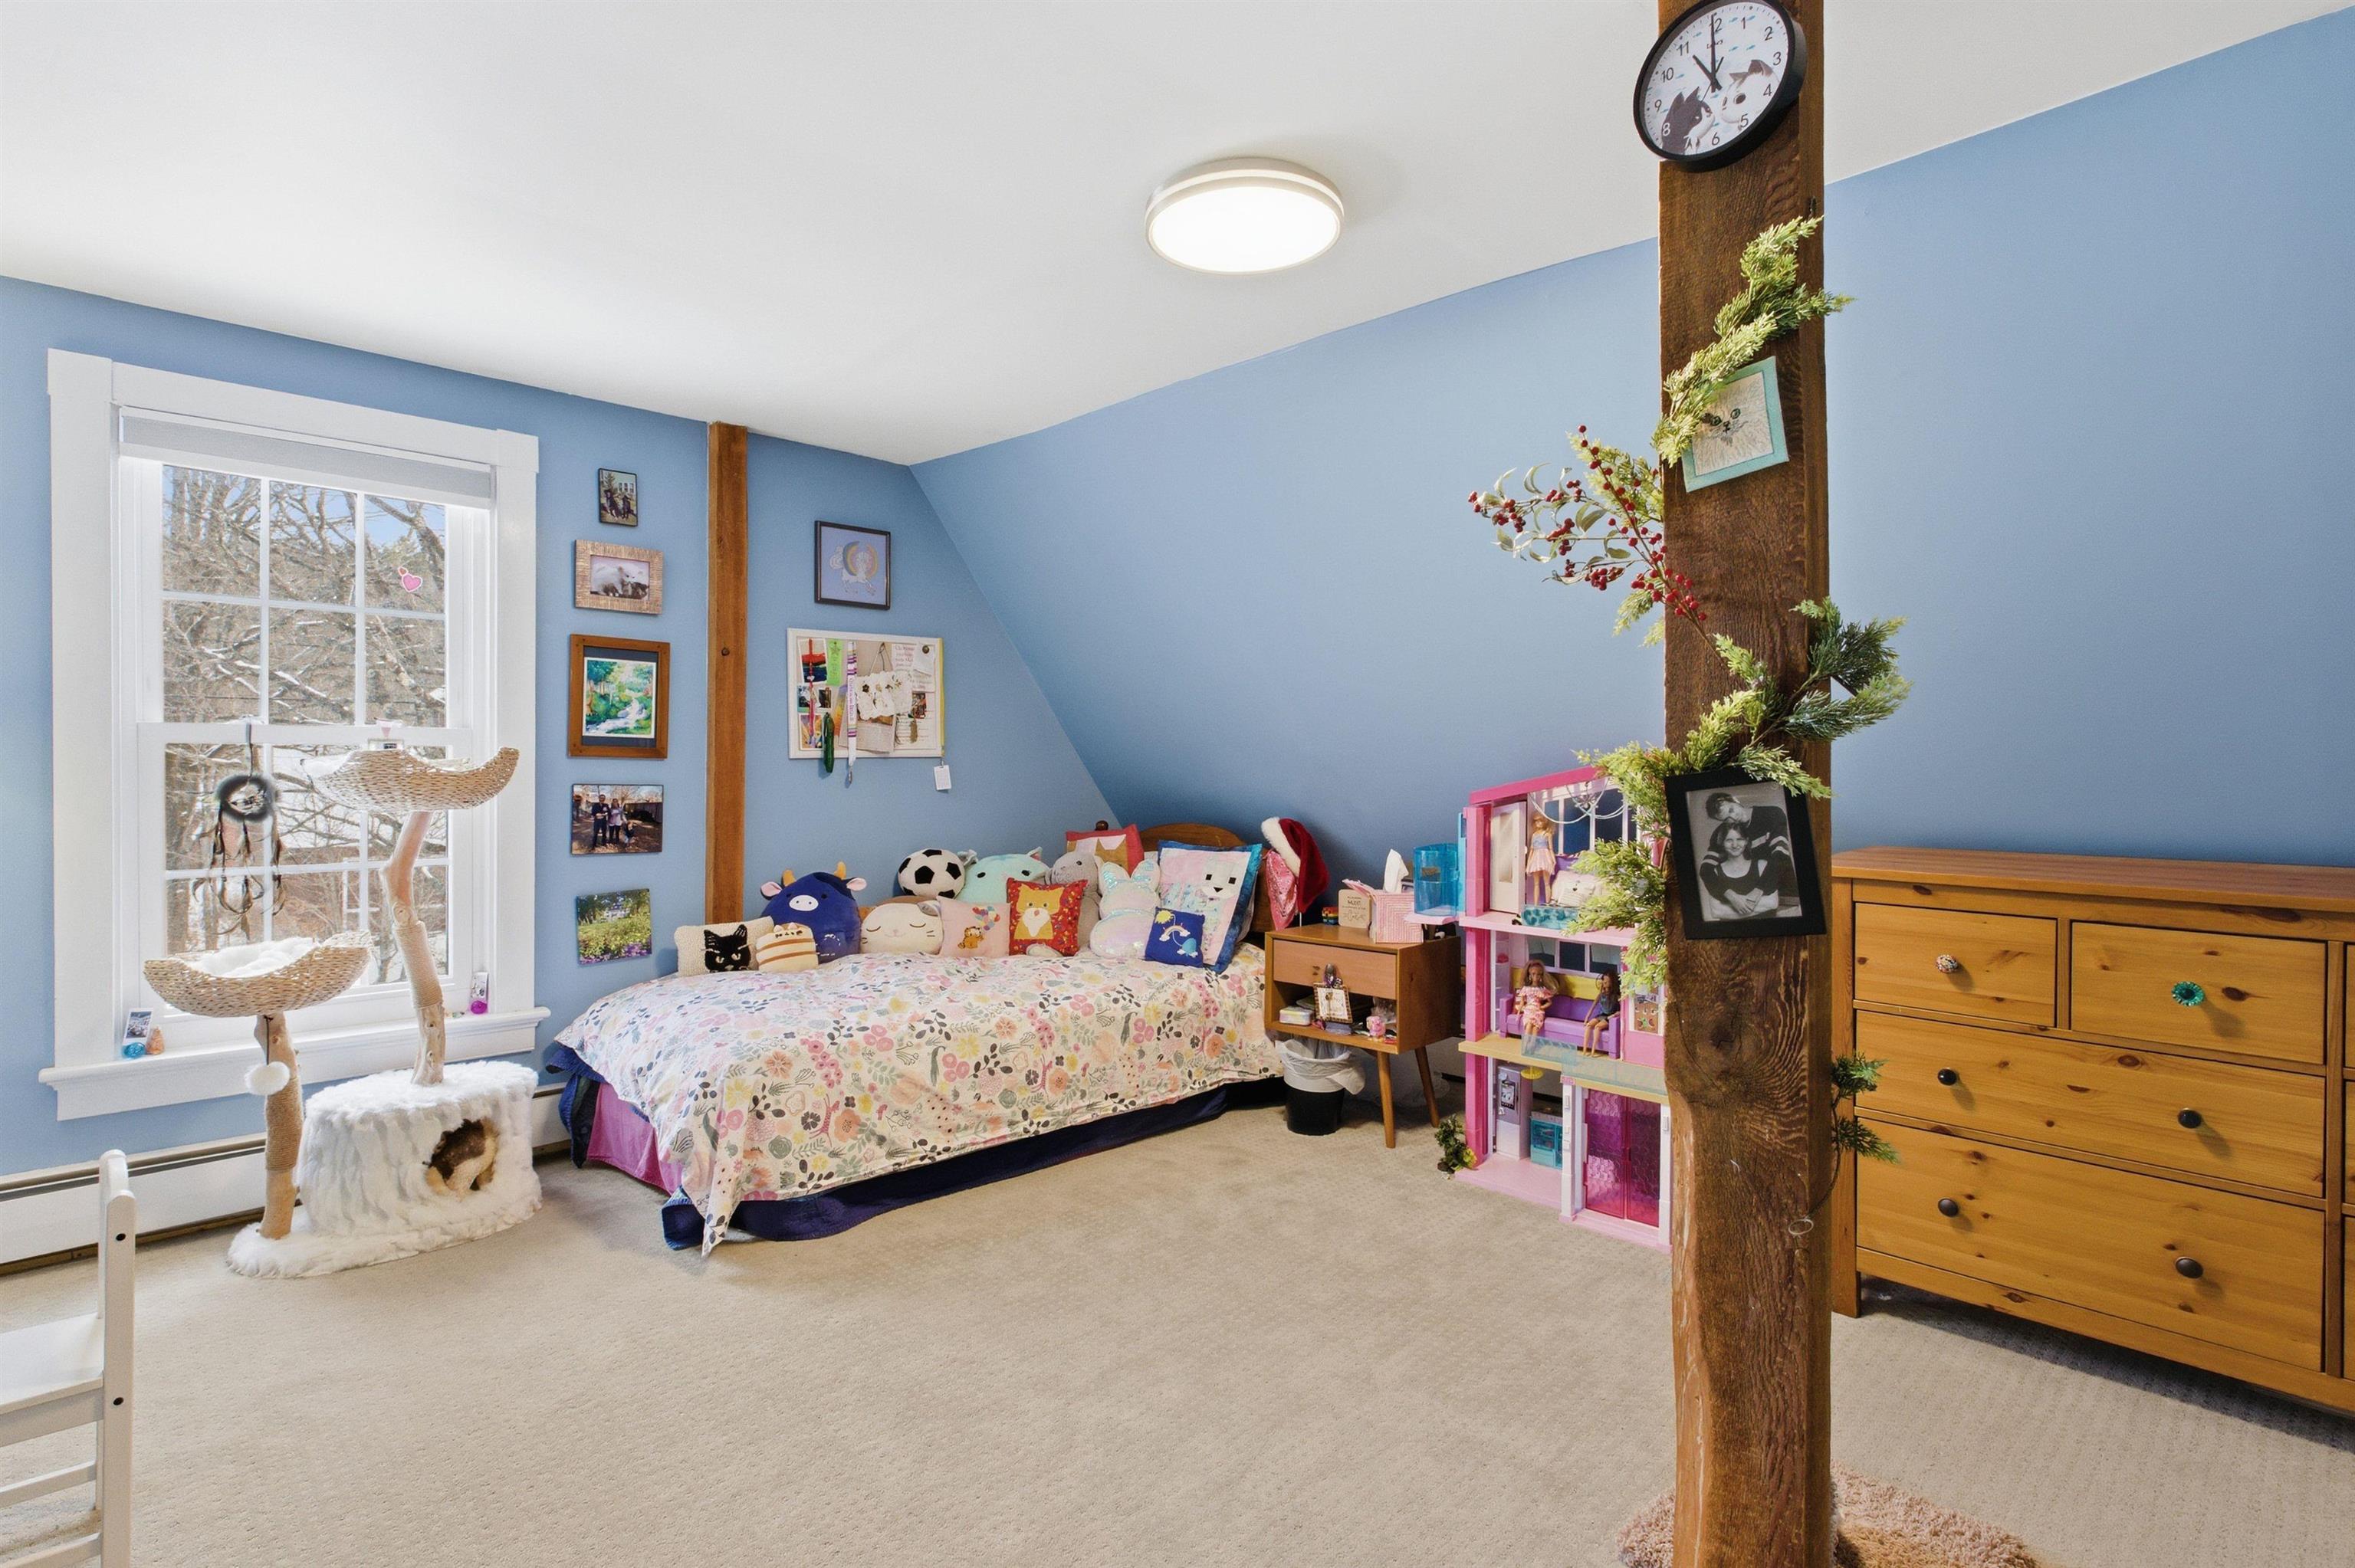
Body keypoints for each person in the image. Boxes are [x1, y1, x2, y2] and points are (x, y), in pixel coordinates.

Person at [1697, 822, 1798, 920]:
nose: (1735, 845)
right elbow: (1717, 912)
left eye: (1739, 839)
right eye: (1729, 840)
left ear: (1746, 841)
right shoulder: (1715, 872)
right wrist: (1752, 905)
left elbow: (1772, 903)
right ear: (1722, 843)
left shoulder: (1762, 865)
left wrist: (1736, 907)